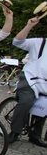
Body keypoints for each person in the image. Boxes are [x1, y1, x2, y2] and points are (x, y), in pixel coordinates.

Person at [7, 17, 47, 147]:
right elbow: (17, 42)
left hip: (45, 83)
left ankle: (35, 135)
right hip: (30, 78)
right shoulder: (39, 42)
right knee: (26, 102)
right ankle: (15, 132)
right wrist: (29, 25)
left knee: (45, 105)